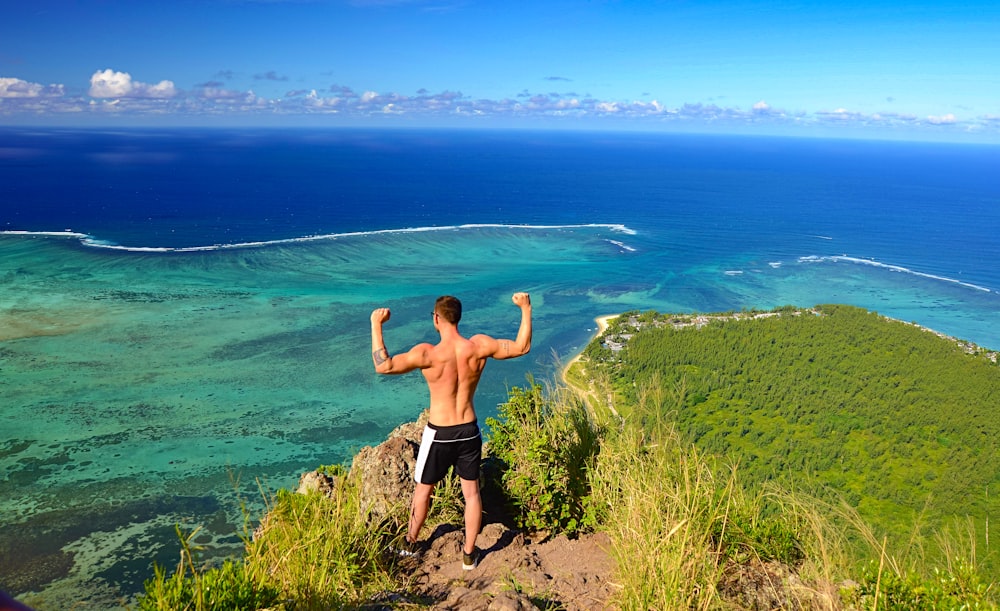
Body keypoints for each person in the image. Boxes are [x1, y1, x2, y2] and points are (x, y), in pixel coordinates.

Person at [370, 292, 532, 570]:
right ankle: (469, 554)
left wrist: (376, 324)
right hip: (469, 430)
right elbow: (521, 347)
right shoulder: (479, 346)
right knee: (471, 494)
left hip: (440, 433)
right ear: (458, 318)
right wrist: (526, 308)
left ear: (436, 318)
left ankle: (410, 543)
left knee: (423, 490)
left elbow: (383, 365)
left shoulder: (428, 354)